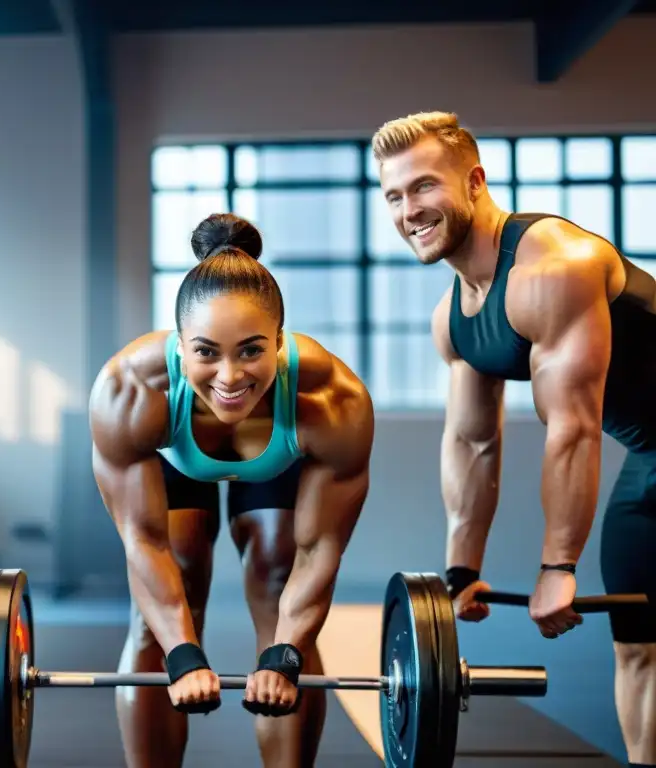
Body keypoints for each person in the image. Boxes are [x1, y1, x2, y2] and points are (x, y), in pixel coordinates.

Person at [372, 110, 656, 767]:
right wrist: (461, 570)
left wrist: (558, 566)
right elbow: (473, 443)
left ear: (475, 180)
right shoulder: (455, 317)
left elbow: (574, 427)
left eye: (423, 187)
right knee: (638, 645)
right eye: (393, 195)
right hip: (650, 457)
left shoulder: (553, 267)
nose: (408, 210)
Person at [88, 213, 374, 768]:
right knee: (172, 585)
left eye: (250, 350)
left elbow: (320, 550)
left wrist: (285, 655)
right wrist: (183, 653)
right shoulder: (130, 391)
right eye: (206, 352)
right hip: (173, 459)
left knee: (277, 571)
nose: (228, 376)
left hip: (278, 461)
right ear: (178, 346)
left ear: (279, 340)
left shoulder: (332, 401)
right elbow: (142, 541)